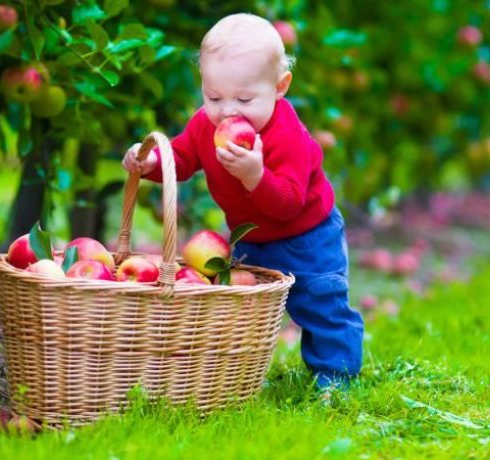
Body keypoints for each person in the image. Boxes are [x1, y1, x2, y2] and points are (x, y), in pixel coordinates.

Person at [122, 13, 363, 390]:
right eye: (214, 96)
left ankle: (336, 375)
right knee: (246, 308)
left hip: (308, 236)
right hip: (251, 237)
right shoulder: (206, 124)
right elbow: (183, 157)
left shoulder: (287, 135)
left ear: (280, 87)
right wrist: (149, 163)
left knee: (320, 303)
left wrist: (255, 175)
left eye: (245, 98)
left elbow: (288, 203)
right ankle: (244, 375)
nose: (228, 111)